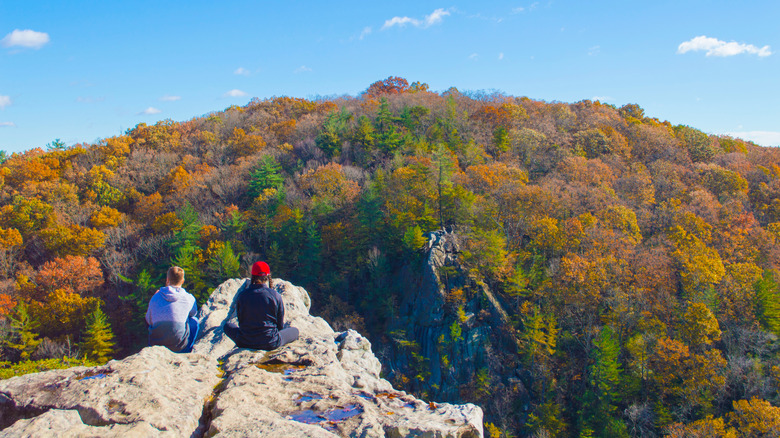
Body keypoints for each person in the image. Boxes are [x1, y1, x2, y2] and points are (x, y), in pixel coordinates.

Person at [224, 261, 299, 350]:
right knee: (295, 331)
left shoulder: (242, 295)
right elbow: (280, 325)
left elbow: (241, 321)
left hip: (244, 341)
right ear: (267, 277)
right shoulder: (275, 295)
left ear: (253, 276)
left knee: (227, 326)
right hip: (270, 342)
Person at [145, 266, 199, 353]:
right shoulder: (188, 298)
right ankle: (187, 351)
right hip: (178, 347)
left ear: (167, 280)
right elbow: (193, 313)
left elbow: (148, 320)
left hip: (156, 346)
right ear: (182, 281)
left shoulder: (156, 297)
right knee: (194, 321)